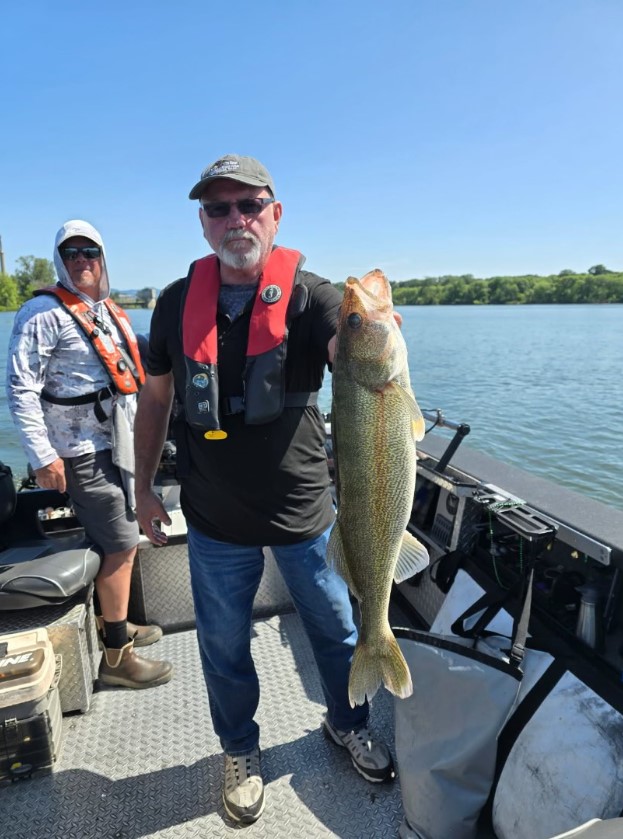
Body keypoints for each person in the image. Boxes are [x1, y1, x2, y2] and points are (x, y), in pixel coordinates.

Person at [134, 155, 394, 825]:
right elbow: (156, 400)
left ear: (275, 214)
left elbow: (348, 347)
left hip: (305, 510)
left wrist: (374, 334)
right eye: (218, 209)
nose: (234, 220)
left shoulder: (311, 297)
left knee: (339, 629)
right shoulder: (171, 303)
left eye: (248, 204)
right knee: (222, 646)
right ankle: (240, 750)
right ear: (201, 223)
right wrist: (141, 487)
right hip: (214, 514)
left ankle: (347, 719)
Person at [6, 219, 173, 690]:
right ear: (60, 260)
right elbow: (21, 388)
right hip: (79, 451)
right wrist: (42, 456)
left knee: (123, 536)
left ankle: (114, 624)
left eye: (90, 252)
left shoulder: (102, 310)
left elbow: (138, 359)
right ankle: (117, 659)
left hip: (118, 441)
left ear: (102, 258)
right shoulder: (42, 313)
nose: (82, 261)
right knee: (121, 541)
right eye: (72, 253)